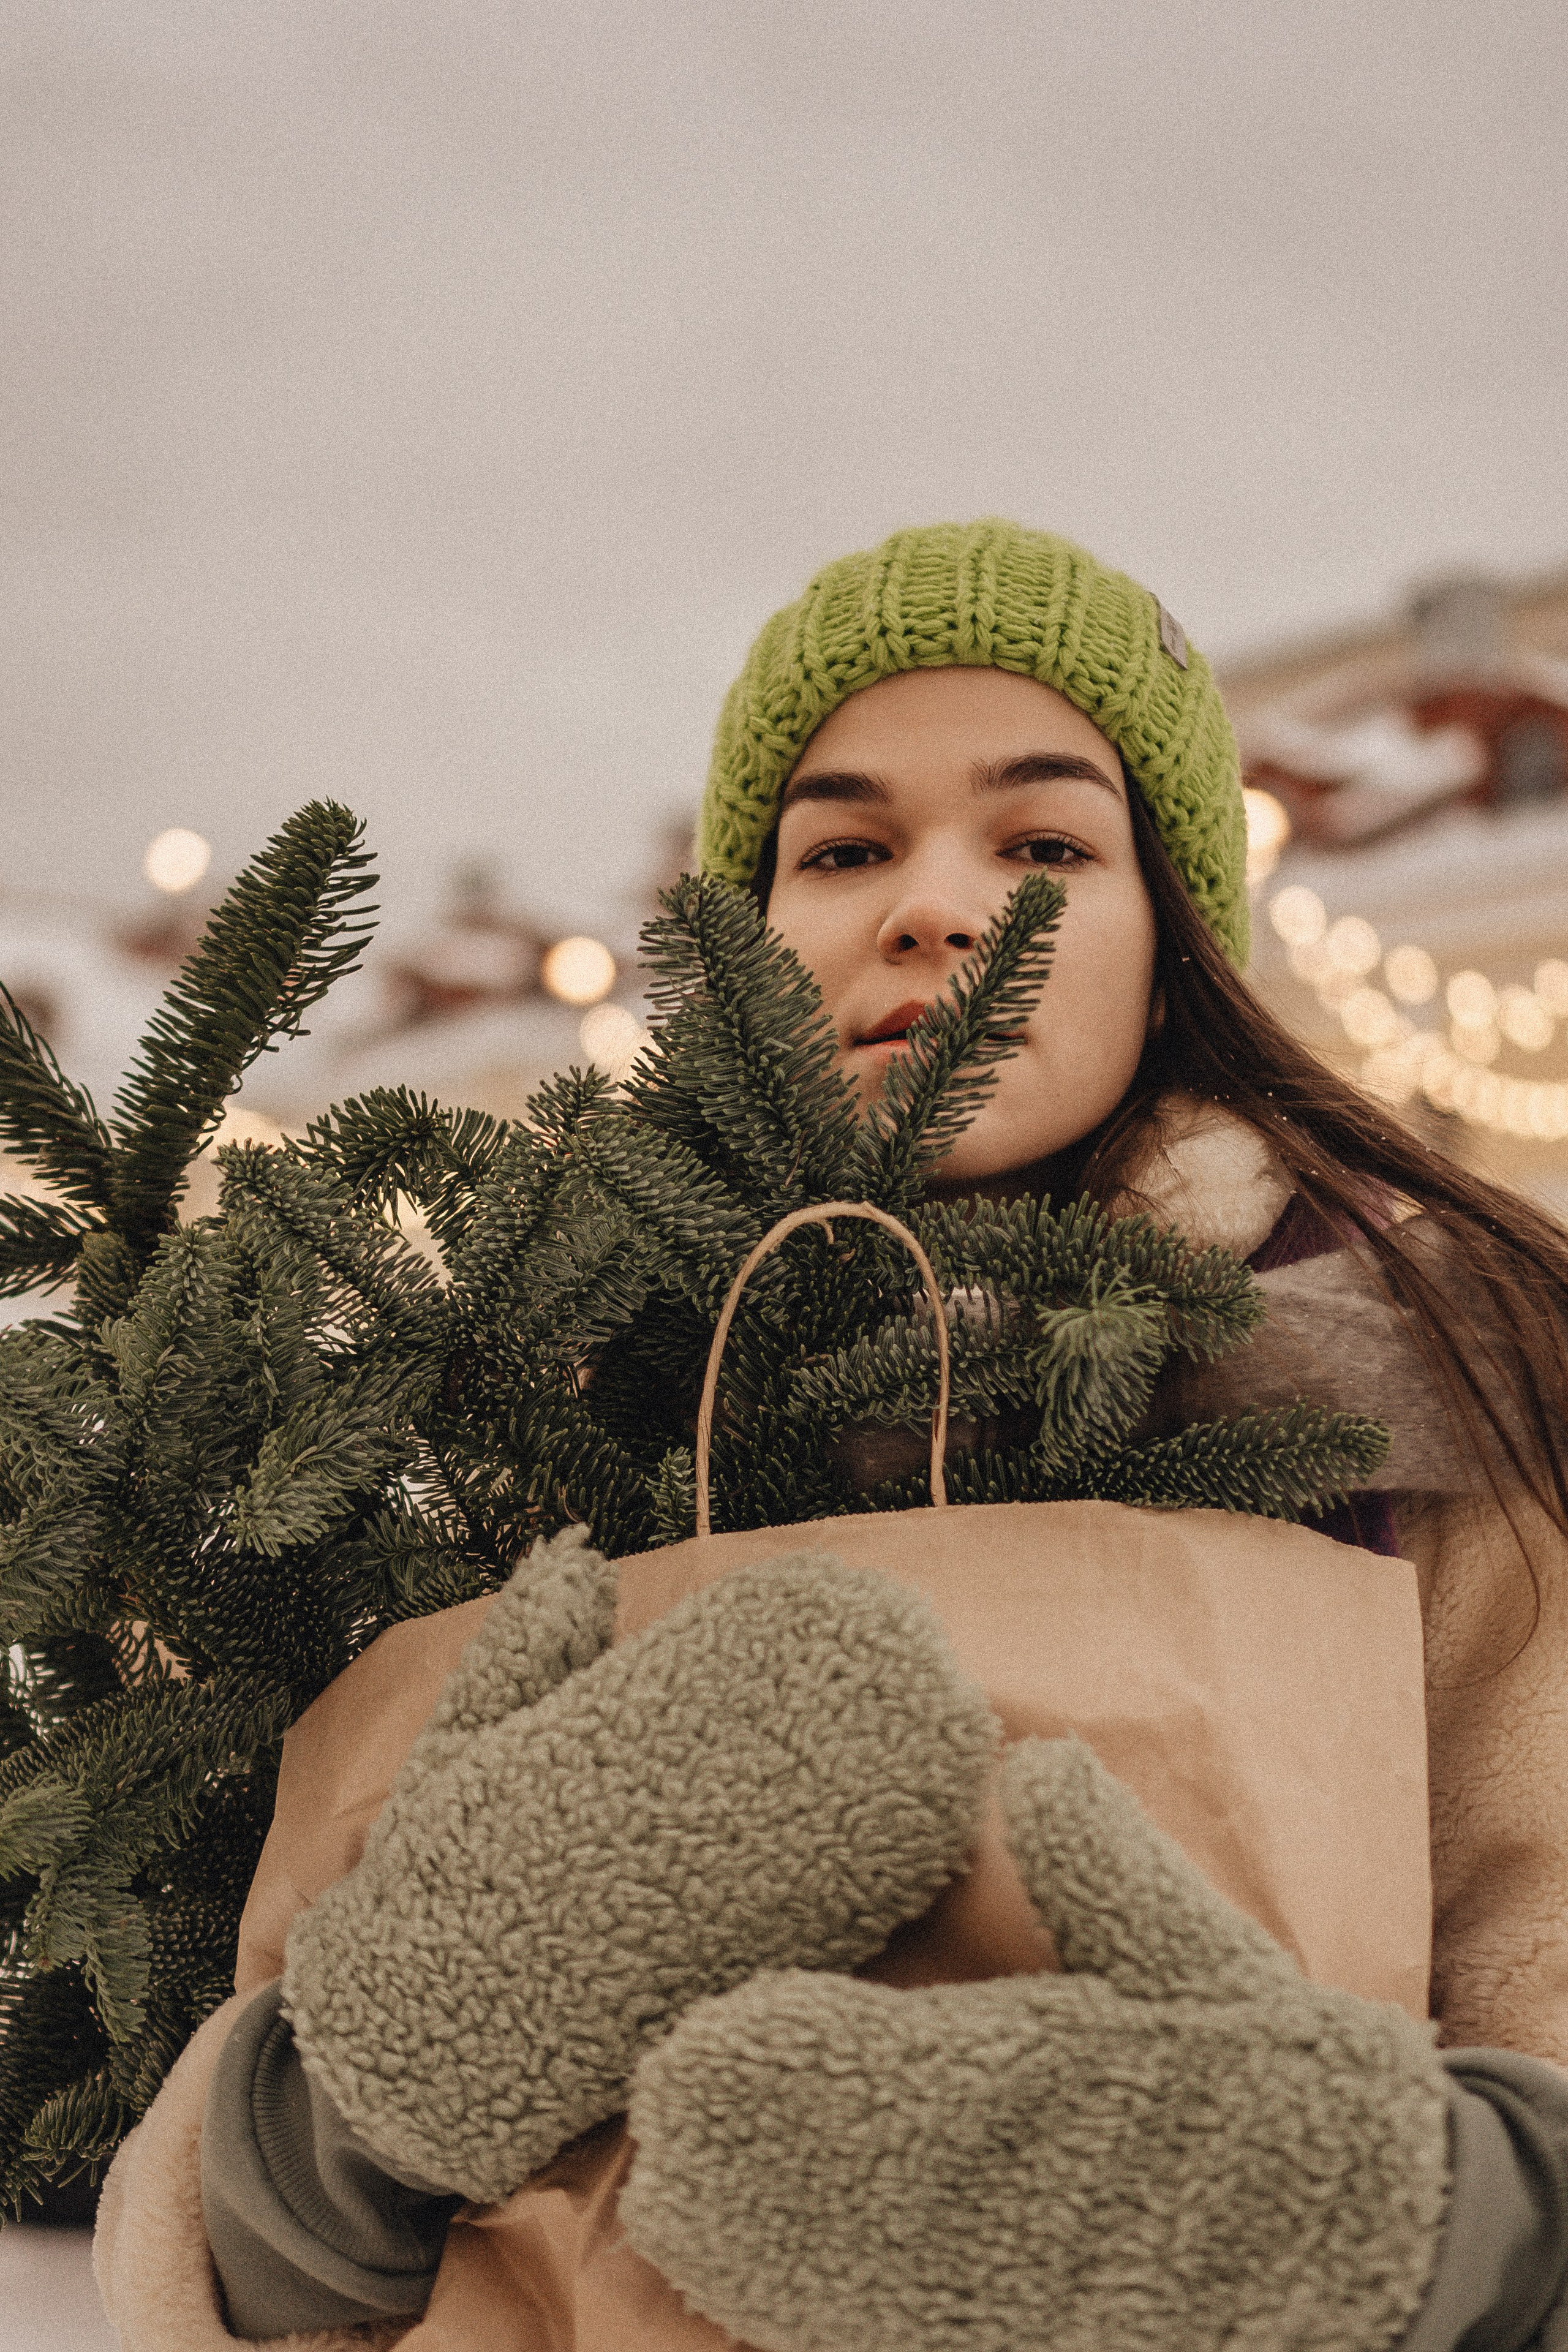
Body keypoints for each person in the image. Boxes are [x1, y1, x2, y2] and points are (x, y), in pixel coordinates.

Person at [97, 521, 1568, 2350]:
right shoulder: (530, 1419)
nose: (936, 907)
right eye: (846, 846)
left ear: (1171, 932)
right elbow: (182, 2218)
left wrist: (1442, 2219)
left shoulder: (1428, 1390)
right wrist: (345, 2111)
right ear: (751, 937)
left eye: (1044, 844)